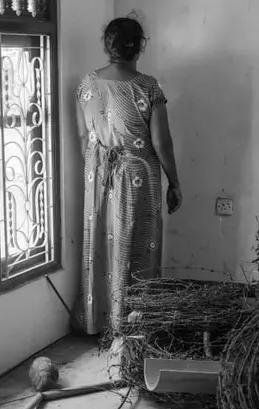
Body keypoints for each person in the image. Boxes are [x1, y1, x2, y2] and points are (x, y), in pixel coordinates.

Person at [71, 17, 182, 336]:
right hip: (136, 177)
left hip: (97, 172)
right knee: (135, 245)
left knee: (102, 242)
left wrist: (97, 171)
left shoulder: (86, 84)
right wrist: (175, 182)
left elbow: (84, 137)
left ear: (108, 46)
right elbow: (161, 142)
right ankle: (131, 324)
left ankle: (99, 320)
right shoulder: (147, 86)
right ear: (140, 45)